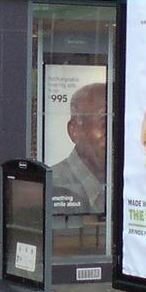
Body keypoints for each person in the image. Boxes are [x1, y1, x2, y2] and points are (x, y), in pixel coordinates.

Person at [50, 82, 107, 214]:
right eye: (105, 123)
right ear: (74, 131)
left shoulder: (129, 181)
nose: (114, 133)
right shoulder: (53, 186)